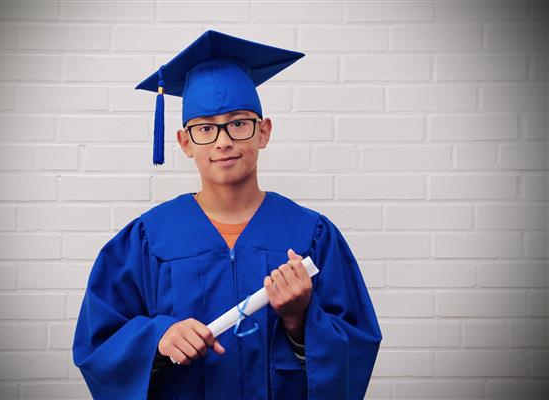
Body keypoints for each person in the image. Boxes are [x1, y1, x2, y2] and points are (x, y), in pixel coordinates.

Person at [72, 30, 382, 400]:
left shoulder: (311, 234)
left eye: (238, 123)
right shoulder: (147, 239)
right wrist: (157, 338)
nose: (223, 141)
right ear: (185, 142)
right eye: (205, 128)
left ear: (263, 133)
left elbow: (357, 344)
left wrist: (301, 318)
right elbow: (98, 342)